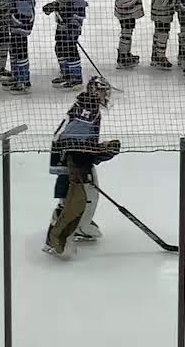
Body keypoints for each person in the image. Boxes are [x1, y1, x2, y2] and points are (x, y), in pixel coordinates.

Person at [44, 77, 119, 260]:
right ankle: (55, 239)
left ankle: (80, 226)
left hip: (71, 158)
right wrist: (96, 151)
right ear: (95, 91)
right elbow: (71, 140)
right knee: (76, 198)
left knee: (79, 196)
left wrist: (96, 150)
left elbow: (78, 141)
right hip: (71, 161)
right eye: (102, 91)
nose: (105, 95)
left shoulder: (85, 105)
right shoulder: (88, 110)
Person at [45, 0, 86, 89]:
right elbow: (64, 0)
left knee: (69, 46)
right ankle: (66, 73)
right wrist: (56, 7)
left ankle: (76, 78)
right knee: (60, 45)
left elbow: (76, 1)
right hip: (63, 18)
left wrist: (60, 8)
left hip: (72, 18)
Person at [5, 0, 36, 92]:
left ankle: (23, 81)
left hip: (20, 24)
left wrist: (13, 18)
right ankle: (18, 76)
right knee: (15, 50)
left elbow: (25, 9)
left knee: (20, 51)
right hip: (17, 23)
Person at [150, 0, 177, 69]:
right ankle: (160, 57)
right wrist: (175, 1)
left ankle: (156, 56)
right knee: (162, 33)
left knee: (159, 32)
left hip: (163, 12)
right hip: (162, 12)